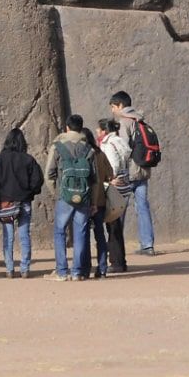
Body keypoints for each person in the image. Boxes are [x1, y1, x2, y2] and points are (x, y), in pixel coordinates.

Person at [0, 126, 44, 278]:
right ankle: (25, 269)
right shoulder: (28, 159)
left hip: (6, 202)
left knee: (8, 236)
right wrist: (31, 192)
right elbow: (37, 180)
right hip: (24, 200)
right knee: (24, 235)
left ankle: (9, 268)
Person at [46, 113, 96, 281]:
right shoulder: (89, 148)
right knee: (81, 232)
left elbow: (49, 174)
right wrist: (93, 200)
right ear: (81, 128)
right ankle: (77, 272)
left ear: (67, 127)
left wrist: (58, 192)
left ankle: (61, 271)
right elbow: (94, 179)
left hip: (64, 195)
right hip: (84, 195)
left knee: (60, 231)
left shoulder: (58, 146)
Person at [110, 91, 157, 256]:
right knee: (143, 207)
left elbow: (123, 148)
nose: (112, 111)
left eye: (113, 107)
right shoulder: (141, 120)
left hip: (128, 172)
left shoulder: (124, 122)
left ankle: (117, 248)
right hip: (143, 171)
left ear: (121, 106)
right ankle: (148, 245)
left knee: (119, 209)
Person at [79, 121, 117, 279]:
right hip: (101, 199)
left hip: (85, 199)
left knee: (84, 234)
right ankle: (102, 267)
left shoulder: (82, 155)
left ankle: (86, 267)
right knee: (100, 235)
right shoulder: (100, 154)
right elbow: (110, 173)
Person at [95, 117, 132, 276]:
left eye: (99, 129)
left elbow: (113, 166)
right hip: (124, 186)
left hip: (114, 188)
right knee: (116, 225)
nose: (97, 131)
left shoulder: (108, 144)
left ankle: (116, 262)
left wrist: (109, 178)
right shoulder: (120, 141)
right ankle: (120, 261)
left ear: (104, 131)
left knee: (112, 225)